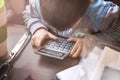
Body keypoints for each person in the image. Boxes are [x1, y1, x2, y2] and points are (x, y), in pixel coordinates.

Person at [23, 0, 120, 58]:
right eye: (50, 24)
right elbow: (29, 14)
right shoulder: (37, 3)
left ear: (89, 3)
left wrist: (94, 40)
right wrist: (38, 28)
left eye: (71, 26)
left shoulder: (101, 14)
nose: (61, 31)